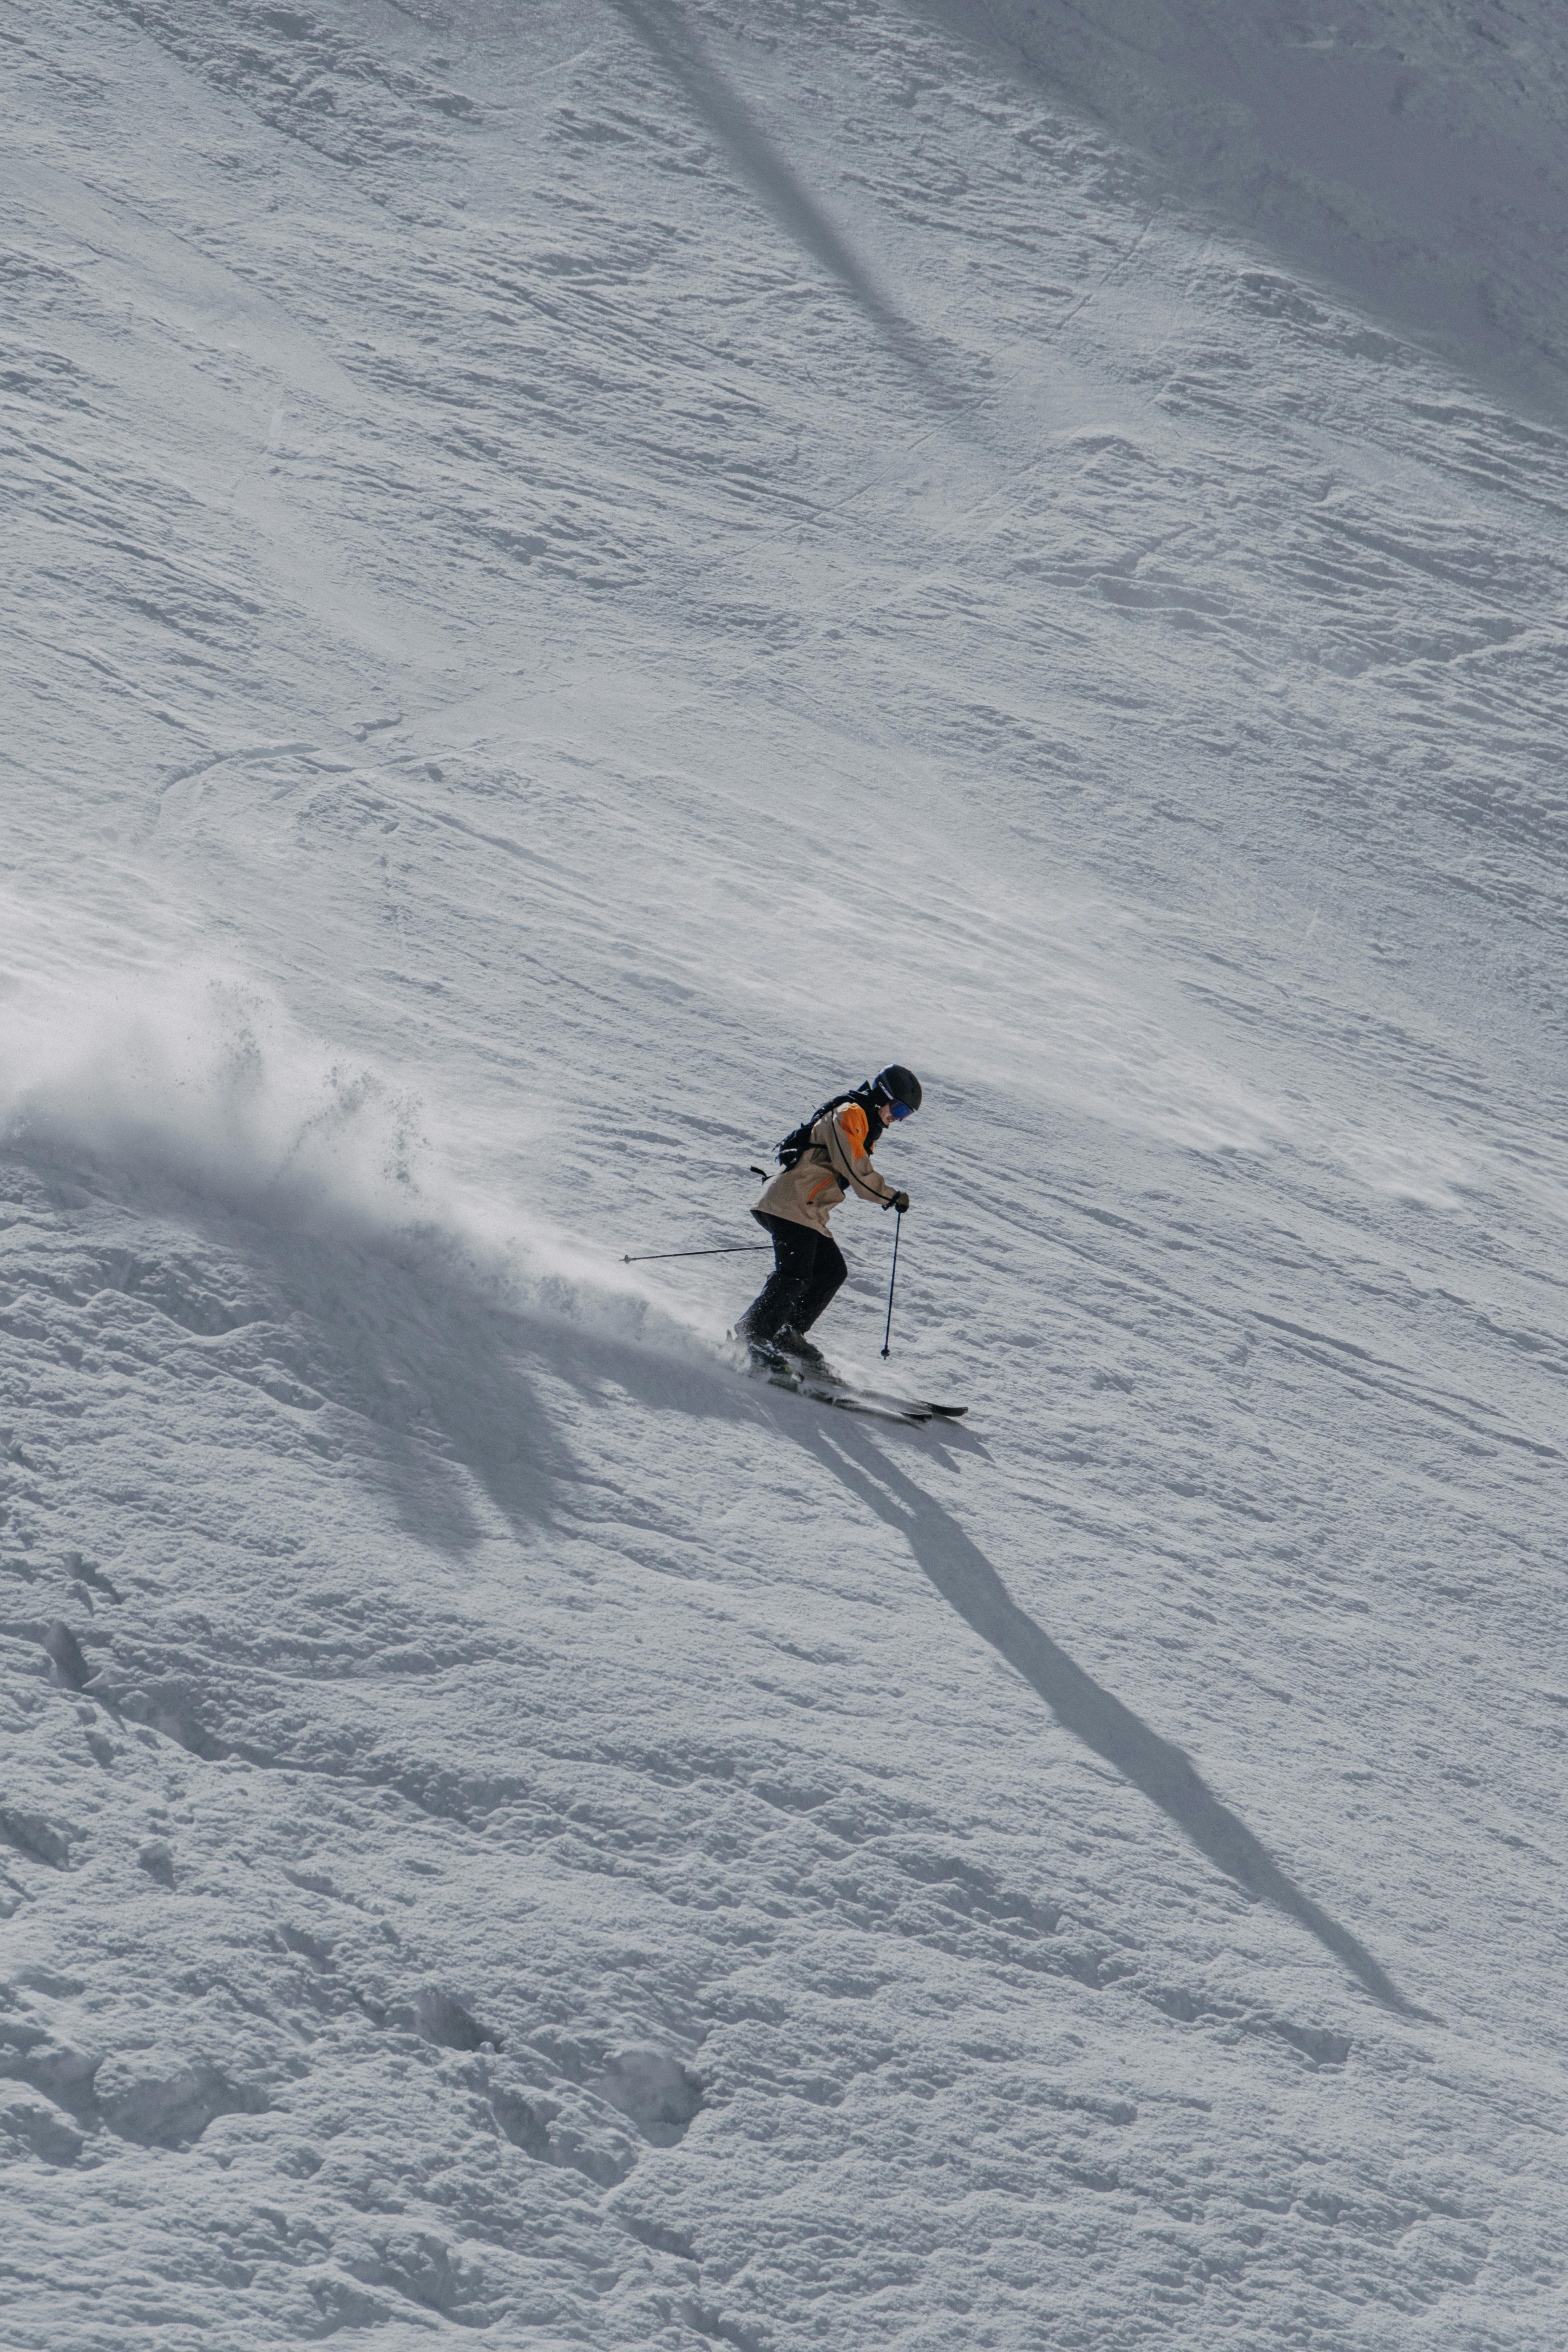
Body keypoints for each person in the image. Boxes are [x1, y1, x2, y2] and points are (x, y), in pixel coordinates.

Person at [738, 1065, 922, 1365]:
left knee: (831, 1272)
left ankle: (786, 1332)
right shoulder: (850, 1113)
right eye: (898, 1108)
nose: (897, 1119)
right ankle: (754, 1333)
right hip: (790, 1204)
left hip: (806, 1212)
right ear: (881, 1096)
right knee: (794, 1274)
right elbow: (854, 1169)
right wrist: (890, 1197)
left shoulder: (866, 1124)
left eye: (905, 1115)